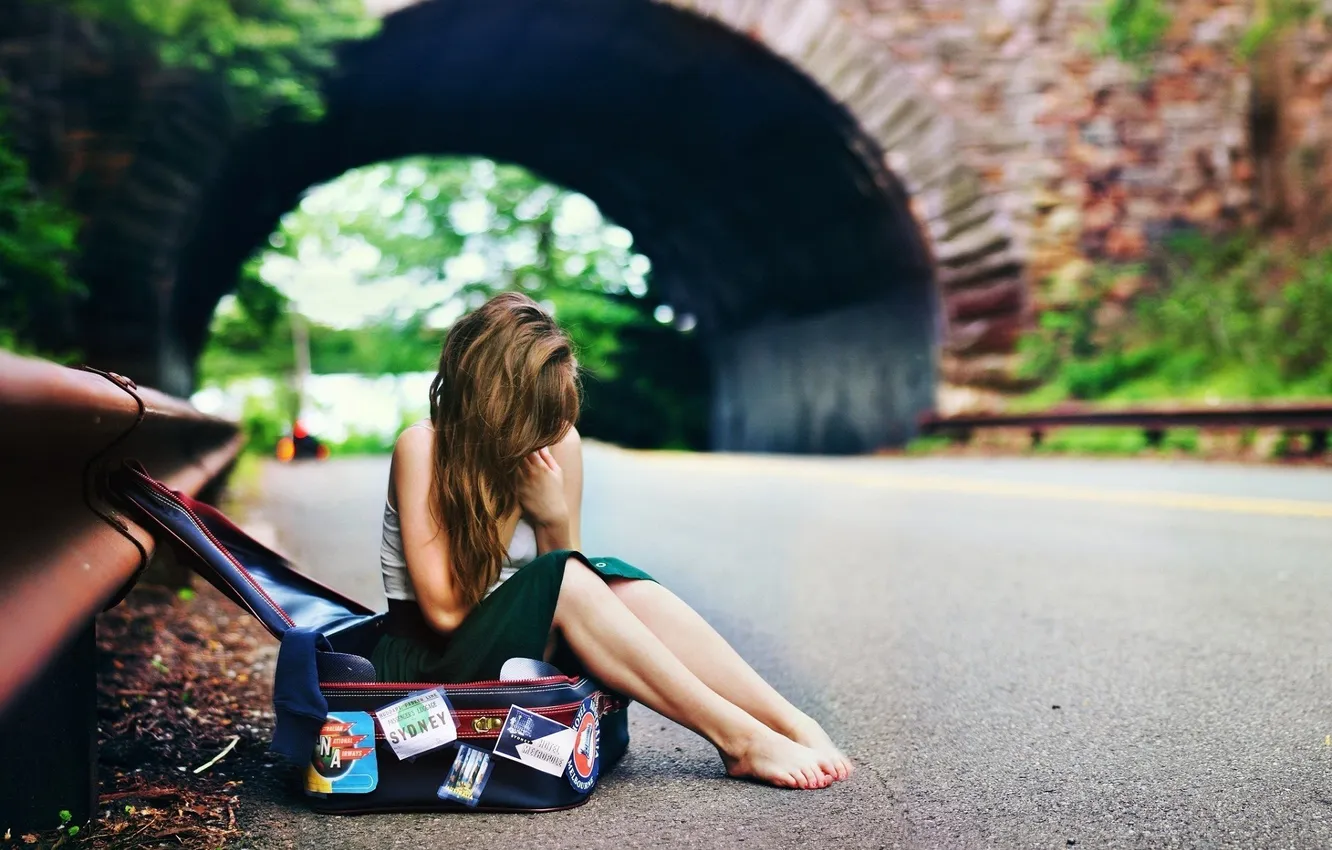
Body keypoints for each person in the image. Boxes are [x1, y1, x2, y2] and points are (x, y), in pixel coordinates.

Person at [370, 291, 852, 790]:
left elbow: (568, 573)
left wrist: (552, 515)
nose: (549, 428)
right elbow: (445, 614)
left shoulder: (558, 440)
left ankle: (790, 722)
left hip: (517, 653)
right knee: (578, 583)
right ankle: (740, 740)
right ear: (495, 400)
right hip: (431, 666)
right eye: (534, 411)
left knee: (623, 585)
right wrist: (517, 505)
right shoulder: (423, 448)